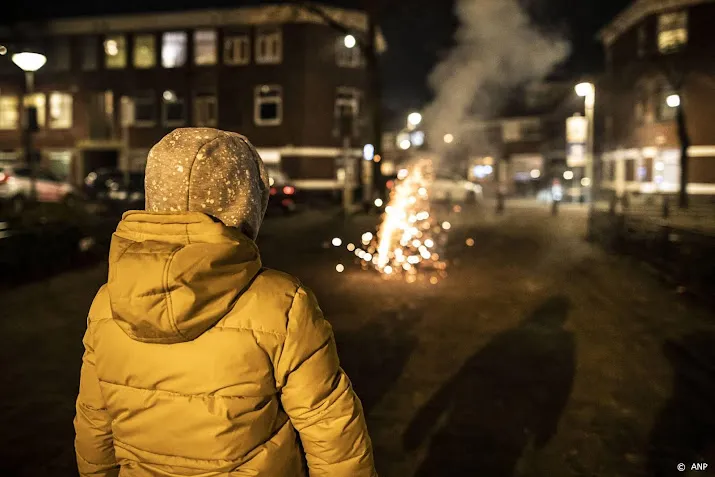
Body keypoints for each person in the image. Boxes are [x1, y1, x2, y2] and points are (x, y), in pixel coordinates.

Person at [74, 128, 377, 477]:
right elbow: (330, 430)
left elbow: (94, 424)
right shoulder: (282, 304)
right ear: (244, 203)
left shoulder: (106, 304)